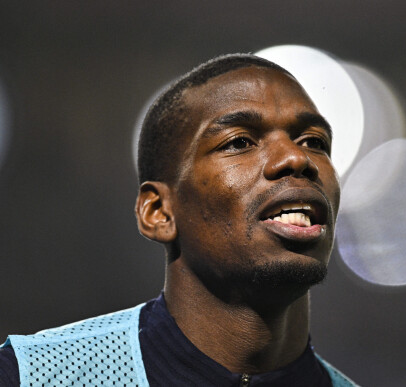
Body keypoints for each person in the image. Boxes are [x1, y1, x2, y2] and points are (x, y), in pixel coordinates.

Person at [0, 54, 357, 386]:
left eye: (314, 142)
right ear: (159, 212)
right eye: (239, 142)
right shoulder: (35, 375)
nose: (296, 158)